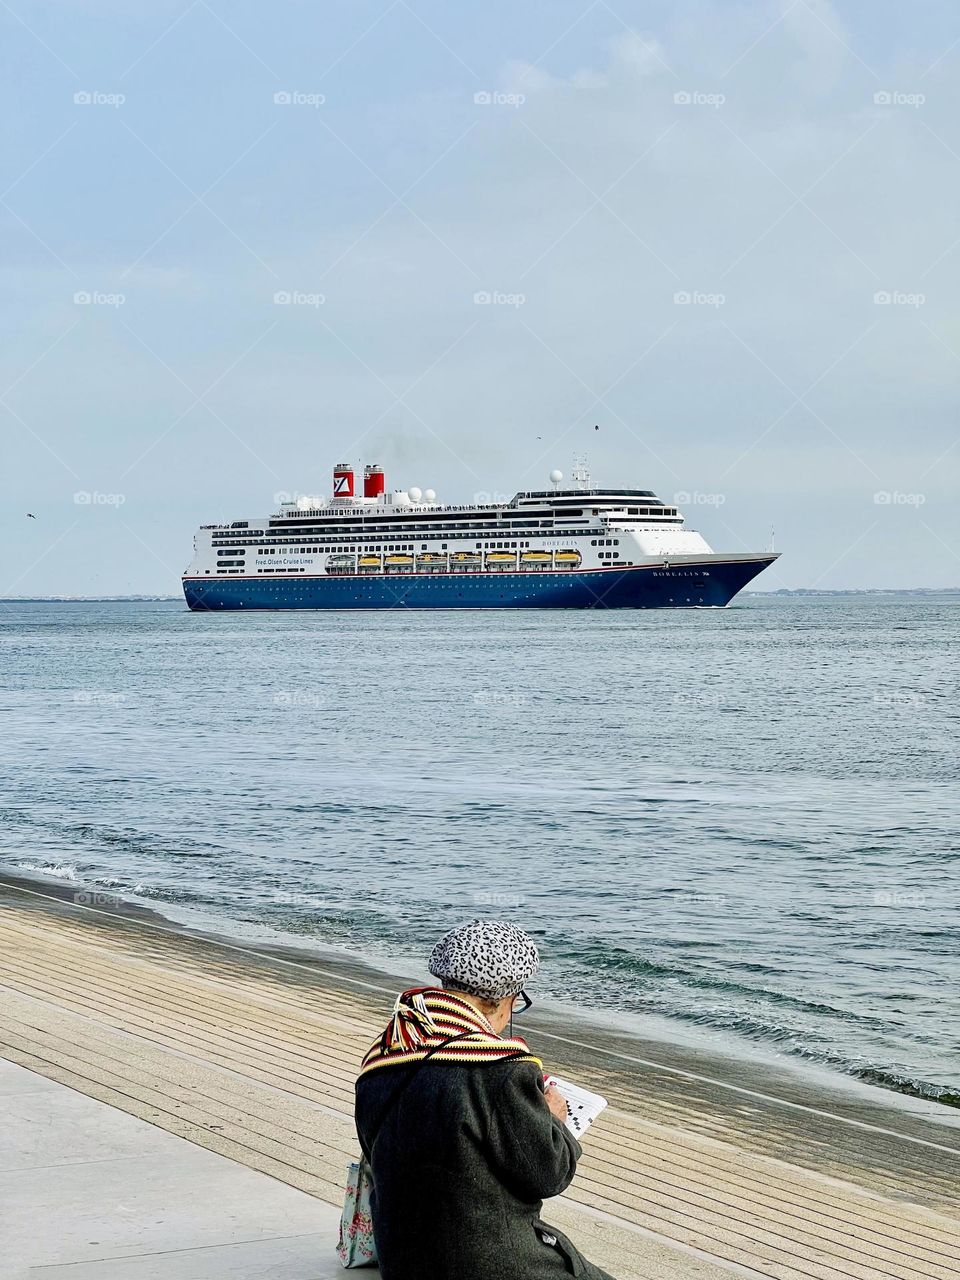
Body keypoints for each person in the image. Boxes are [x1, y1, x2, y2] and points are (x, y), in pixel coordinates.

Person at [354, 919, 617, 1279]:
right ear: (503, 998)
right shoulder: (501, 1072)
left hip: (403, 1261)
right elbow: (549, 1175)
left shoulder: (386, 1053)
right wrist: (554, 1119)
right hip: (486, 1264)